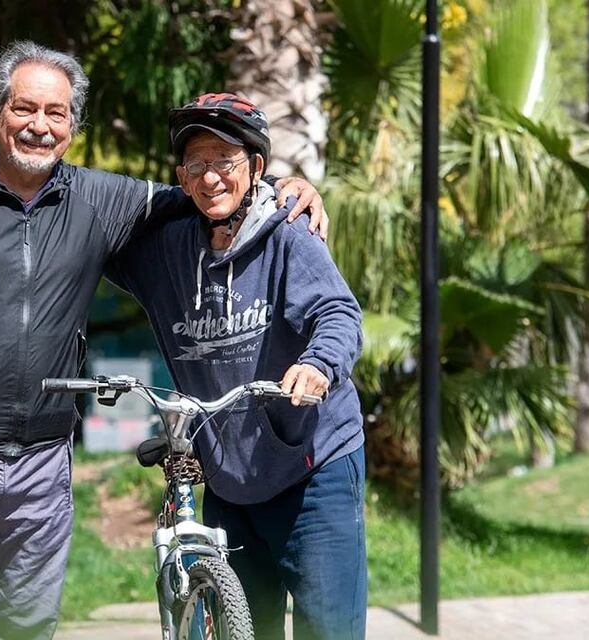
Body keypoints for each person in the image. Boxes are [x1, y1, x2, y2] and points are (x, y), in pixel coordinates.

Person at [0, 41, 327, 640]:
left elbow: (203, 188)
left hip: (43, 462)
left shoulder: (99, 199)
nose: (39, 126)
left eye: (56, 113)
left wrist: (279, 184)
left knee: (23, 627)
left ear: (72, 126)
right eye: (25, 108)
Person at [105, 93, 366, 640]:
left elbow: (338, 312)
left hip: (312, 469)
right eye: (196, 163)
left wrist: (319, 365)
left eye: (225, 161)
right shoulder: (163, 252)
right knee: (244, 628)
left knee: (328, 629)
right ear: (181, 177)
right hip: (229, 479)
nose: (210, 177)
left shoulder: (288, 233)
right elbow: (86, 235)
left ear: (255, 167)